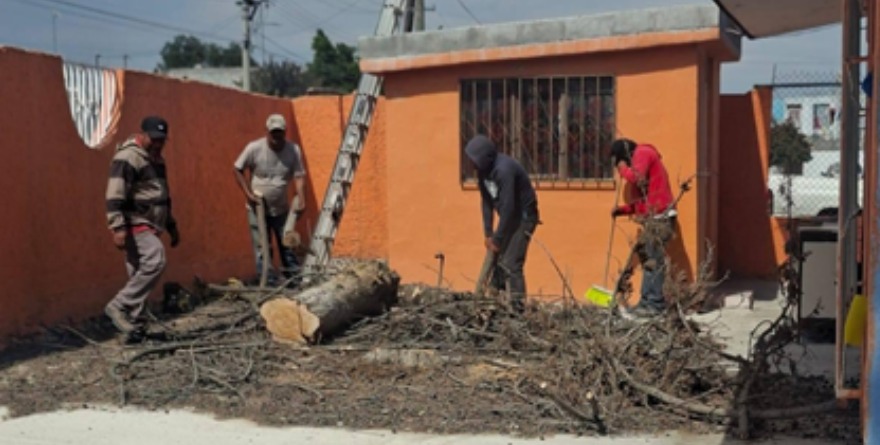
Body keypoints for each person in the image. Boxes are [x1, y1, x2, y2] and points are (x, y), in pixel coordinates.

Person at [104, 116, 180, 340]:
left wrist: (171, 225)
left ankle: (135, 329)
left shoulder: (157, 159)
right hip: (135, 222)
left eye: (162, 140)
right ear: (143, 135)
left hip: (154, 222)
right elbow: (114, 193)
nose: (158, 143)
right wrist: (117, 227)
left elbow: (162, 194)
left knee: (138, 275)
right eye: (154, 139)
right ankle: (118, 305)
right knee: (155, 260)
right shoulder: (128, 158)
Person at [464, 134, 540, 312]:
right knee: (498, 261)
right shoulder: (483, 172)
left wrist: (498, 239)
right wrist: (488, 234)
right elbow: (486, 202)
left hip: (523, 218)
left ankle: (518, 309)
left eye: (474, 159)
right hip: (509, 217)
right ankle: (492, 301)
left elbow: (508, 207)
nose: (472, 164)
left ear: (485, 158)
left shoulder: (504, 170)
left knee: (512, 263)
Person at [234, 114, 306, 286]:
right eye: (273, 133)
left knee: (287, 245)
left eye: (280, 133)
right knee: (262, 248)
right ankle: (268, 282)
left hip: (281, 209)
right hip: (257, 208)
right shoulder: (254, 148)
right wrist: (248, 194)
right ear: (267, 132)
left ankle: (294, 280)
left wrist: (301, 197)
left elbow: (299, 175)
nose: (276, 137)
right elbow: (237, 169)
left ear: (285, 132)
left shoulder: (293, 150)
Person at [610, 138, 676, 317]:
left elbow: (636, 178)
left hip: (660, 217)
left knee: (653, 262)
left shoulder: (643, 153)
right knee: (648, 261)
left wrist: (623, 168)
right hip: (652, 217)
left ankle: (655, 304)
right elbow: (640, 202)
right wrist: (622, 210)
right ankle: (646, 303)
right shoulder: (642, 159)